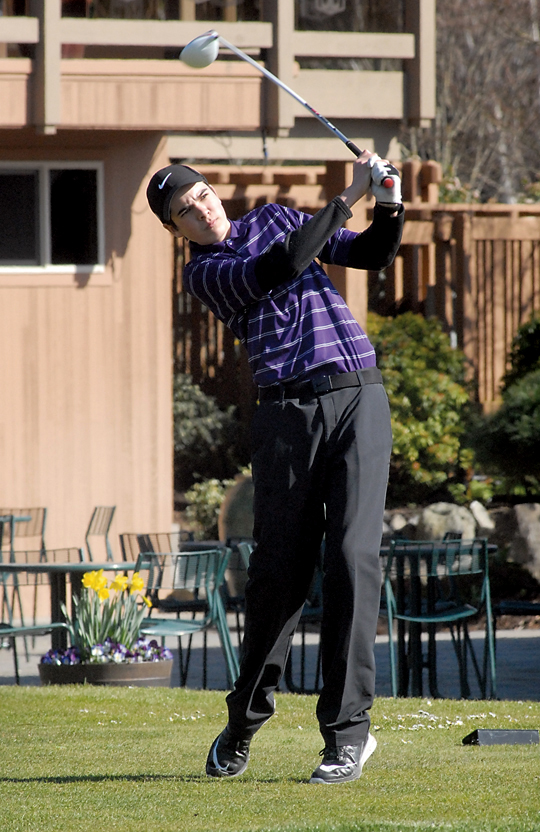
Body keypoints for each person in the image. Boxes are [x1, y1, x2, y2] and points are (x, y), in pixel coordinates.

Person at [146, 151, 404, 784]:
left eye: (202, 194)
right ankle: (244, 722)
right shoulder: (207, 273)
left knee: (351, 560)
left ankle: (347, 736)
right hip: (286, 417)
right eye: (185, 210)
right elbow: (283, 265)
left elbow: (368, 254)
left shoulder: (275, 216)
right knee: (278, 579)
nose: (202, 208)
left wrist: (390, 203)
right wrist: (350, 192)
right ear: (175, 230)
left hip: (358, 396)